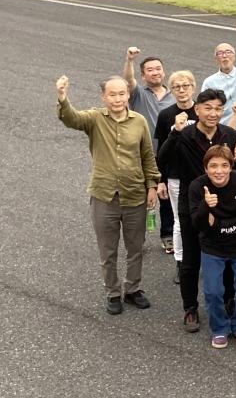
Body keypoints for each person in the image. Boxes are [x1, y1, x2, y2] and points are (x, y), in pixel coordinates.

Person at [56, 74, 160, 315]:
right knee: (108, 250)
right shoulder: (94, 118)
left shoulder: (139, 121)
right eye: (112, 94)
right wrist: (62, 97)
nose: (117, 99)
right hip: (104, 196)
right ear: (104, 97)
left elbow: (147, 155)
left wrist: (152, 185)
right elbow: (71, 118)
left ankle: (133, 289)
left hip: (135, 194)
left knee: (136, 248)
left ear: (128, 95)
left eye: (122, 93)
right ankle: (112, 292)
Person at [158, 88, 236, 333]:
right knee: (191, 260)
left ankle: (228, 299)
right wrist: (174, 132)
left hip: (223, 206)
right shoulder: (184, 134)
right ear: (197, 110)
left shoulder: (229, 134)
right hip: (192, 205)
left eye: (218, 108)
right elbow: (162, 159)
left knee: (226, 256)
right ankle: (190, 308)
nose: (213, 113)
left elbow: (234, 171)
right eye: (208, 108)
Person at [188, 145, 236, 348]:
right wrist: (205, 205)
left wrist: (219, 225)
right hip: (212, 247)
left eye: (224, 165)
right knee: (213, 291)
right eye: (213, 166)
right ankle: (219, 328)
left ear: (231, 166)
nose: (219, 171)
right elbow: (198, 224)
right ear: (206, 168)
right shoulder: (197, 186)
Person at [154, 69, 197, 256]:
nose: (181, 90)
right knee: (180, 220)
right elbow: (161, 151)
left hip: (201, 173)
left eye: (185, 85)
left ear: (193, 87)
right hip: (176, 175)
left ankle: (204, 256)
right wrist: (161, 180)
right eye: (176, 87)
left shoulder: (203, 111)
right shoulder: (165, 115)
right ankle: (181, 260)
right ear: (171, 90)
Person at [121, 47, 176, 136]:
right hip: (142, 144)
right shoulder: (137, 94)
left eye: (158, 69)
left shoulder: (175, 96)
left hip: (169, 144)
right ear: (143, 76)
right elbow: (128, 80)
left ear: (163, 73)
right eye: (150, 70)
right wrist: (130, 60)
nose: (155, 73)